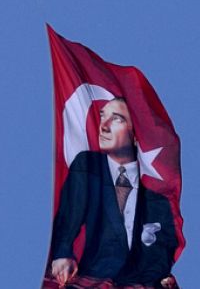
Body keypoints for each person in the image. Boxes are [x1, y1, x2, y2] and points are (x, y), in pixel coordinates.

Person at [46, 98, 179, 289]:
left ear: (136, 134)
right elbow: (70, 214)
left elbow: (163, 250)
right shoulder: (87, 166)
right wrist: (62, 253)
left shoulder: (157, 199)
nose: (103, 126)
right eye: (102, 116)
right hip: (93, 277)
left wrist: (158, 277)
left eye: (117, 119)